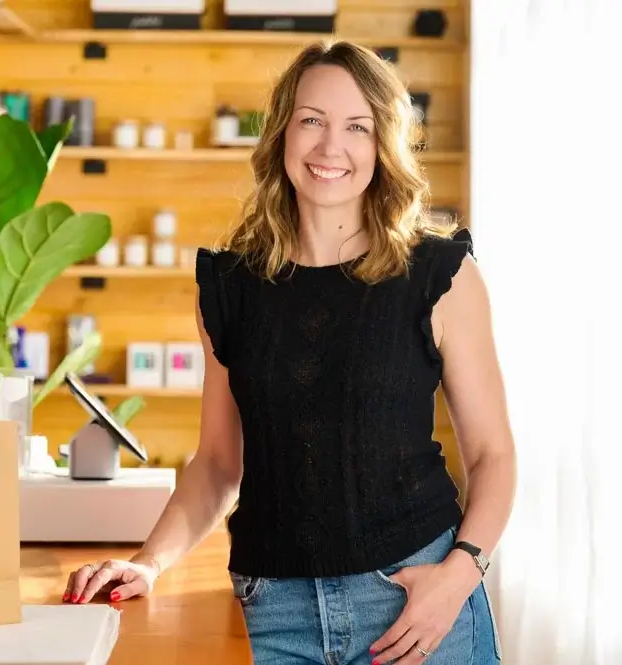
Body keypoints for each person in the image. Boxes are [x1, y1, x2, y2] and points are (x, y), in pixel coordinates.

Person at [65, 40, 517, 665]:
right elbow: (219, 464)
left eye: (357, 127)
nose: (332, 148)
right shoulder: (230, 289)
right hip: (273, 614)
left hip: (417, 602)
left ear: (382, 145)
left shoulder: (441, 274)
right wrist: (149, 563)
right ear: (282, 132)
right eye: (312, 120)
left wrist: (458, 578)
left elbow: (493, 456)